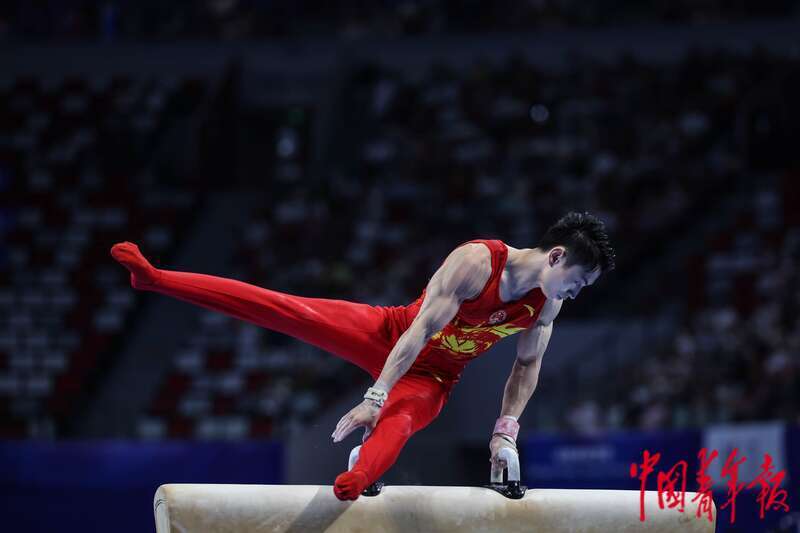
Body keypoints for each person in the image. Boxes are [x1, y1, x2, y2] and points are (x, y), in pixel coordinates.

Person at [111, 211, 615, 500]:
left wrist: (506, 430)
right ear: (556, 257)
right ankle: (156, 279)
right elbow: (420, 330)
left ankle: (356, 478)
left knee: (396, 429)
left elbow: (527, 365)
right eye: (578, 283)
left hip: (435, 379)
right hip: (389, 334)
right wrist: (375, 392)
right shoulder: (475, 262)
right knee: (286, 310)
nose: (575, 295)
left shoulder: (545, 301)